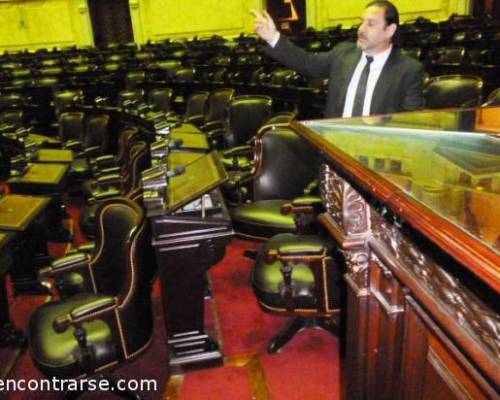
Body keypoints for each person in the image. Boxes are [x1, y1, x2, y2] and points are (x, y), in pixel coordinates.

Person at [253, 1, 424, 118]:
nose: (361, 29)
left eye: (370, 24)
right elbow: (306, 62)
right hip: (336, 148)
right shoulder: (343, 54)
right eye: (361, 22)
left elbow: (408, 123)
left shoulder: (408, 70)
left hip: (377, 154)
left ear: (390, 30)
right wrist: (273, 37)